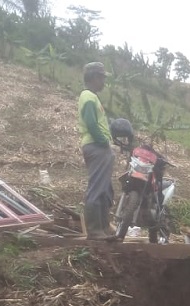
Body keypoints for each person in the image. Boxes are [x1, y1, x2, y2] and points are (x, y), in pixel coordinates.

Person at [78, 62, 115, 241]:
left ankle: (104, 226)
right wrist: (103, 141)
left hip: (98, 147)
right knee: (97, 188)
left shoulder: (92, 97)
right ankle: (94, 230)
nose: (103, 82)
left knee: (105, 188)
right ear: (93, 77)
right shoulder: (88, 97)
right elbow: (92, 124)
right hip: (96, 146)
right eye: (102, 78)